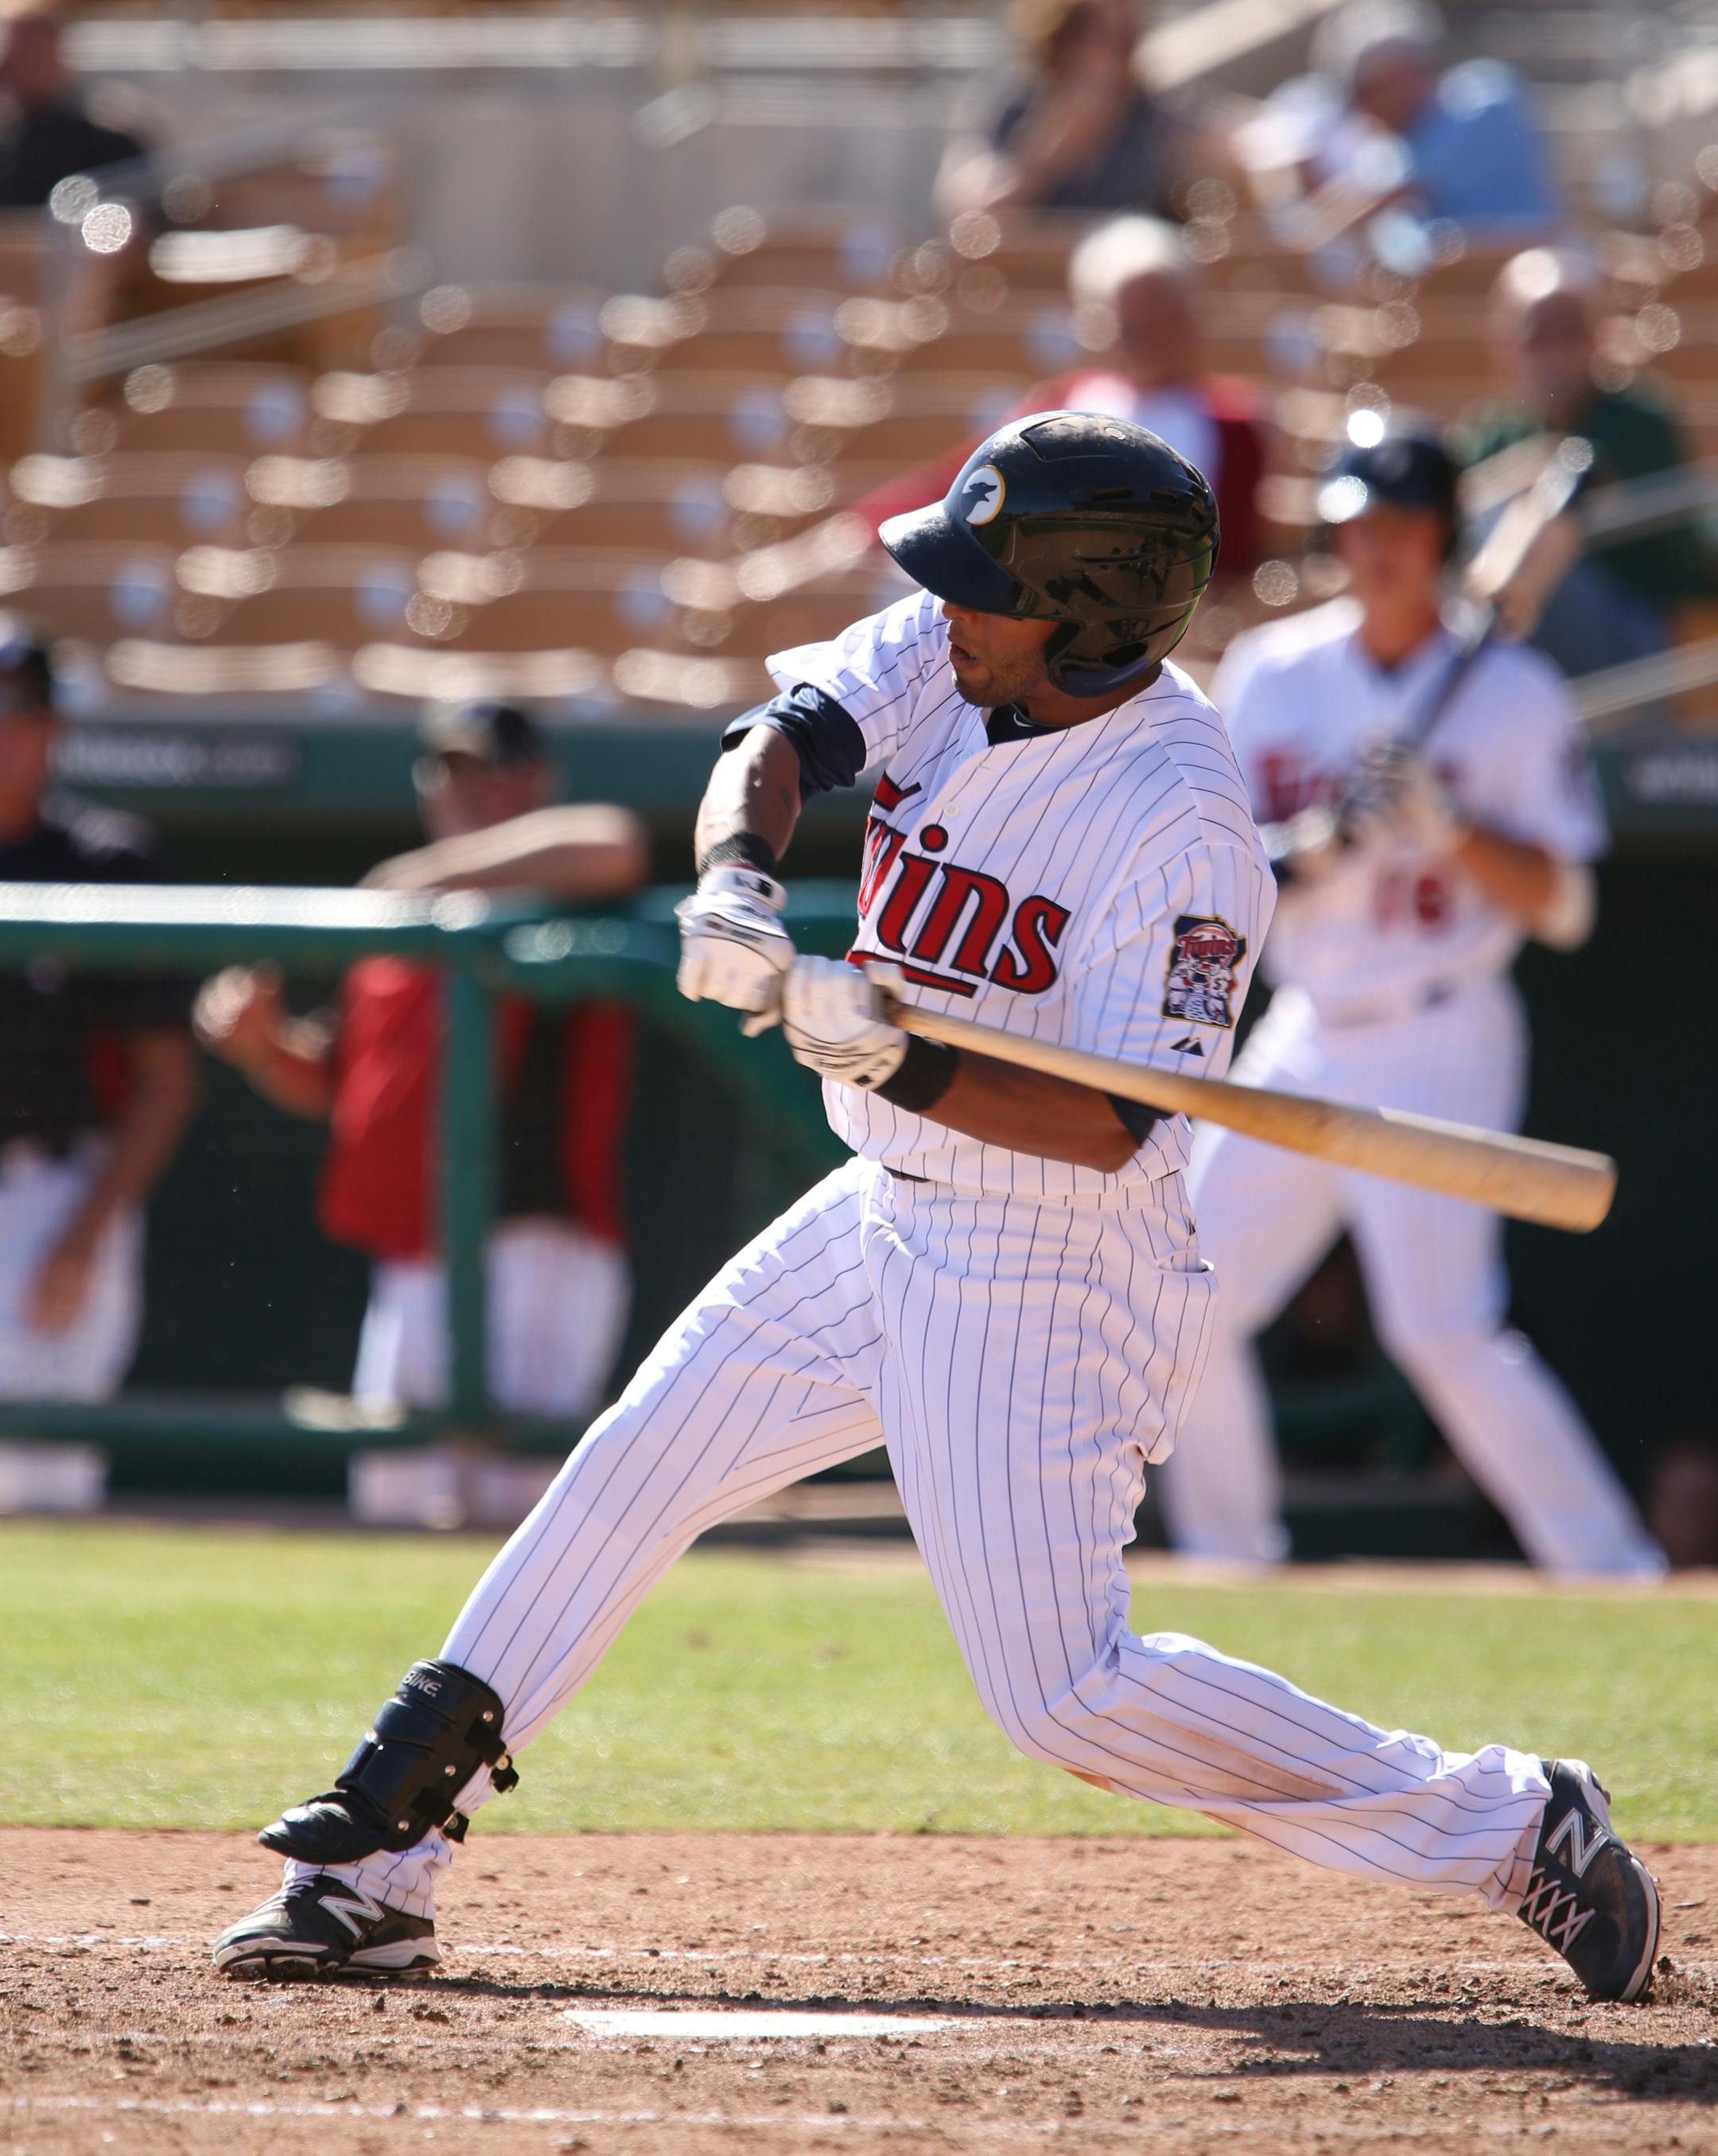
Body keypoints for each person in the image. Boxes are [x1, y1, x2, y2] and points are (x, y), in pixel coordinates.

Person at [211, 415, 1658, 2009]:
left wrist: (891, 1054)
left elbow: (1110, 1122)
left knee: (1064, 1696)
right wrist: (740, 881)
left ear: (1093, 608)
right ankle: (375, 1860)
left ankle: (1514, 1820)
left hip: (1049, 1256)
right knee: (635, 1466)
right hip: (883, 1205)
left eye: (991, 586)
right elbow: (783, 734)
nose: (949, 605)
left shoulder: (1183, 822)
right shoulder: (966, 652)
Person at [1158, 422, 1665, 1581]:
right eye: (1356, 525)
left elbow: (1565, 906)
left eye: (1396, 526)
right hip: (1304, 1026)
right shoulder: (1276, 672)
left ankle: (1613, 1568)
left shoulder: (1513, 692)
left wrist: (1447, 825)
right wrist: (1315, 846)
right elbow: (1221, 874)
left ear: (1441, 537)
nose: (1372, 547)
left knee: (1441, 1330)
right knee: (1180, 1294)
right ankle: (1234, 1564)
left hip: (1441, 1027)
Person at [194, 700, 647, 1421]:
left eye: (488, 769)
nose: (464, 789)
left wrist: (414, 877)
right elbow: (345, 1083)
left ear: (539, 780)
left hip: (533, 1246)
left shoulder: (560, 895)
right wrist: (264, 1047)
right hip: (414, 1251)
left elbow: (617, 843)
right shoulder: (404, 917)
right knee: (398, 1501)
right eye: (446, 769)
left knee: (524, 1510)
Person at [856, 215, 1269, 586]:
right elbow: (967, 482)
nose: (1142, 338)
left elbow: (1232, 560)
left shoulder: (1232, 424)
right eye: (1128, 323)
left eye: (1158, 318)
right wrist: (867, 528)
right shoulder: (1063, 403)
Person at [0, 623, 197, 1399]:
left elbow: (167, 1081)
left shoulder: (109, 862)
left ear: (54, 726)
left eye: (18, 711)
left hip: (57, 1189)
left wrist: (84, 1235)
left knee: (44, 1481)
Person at [1459, 247, 1715, 679]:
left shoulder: (1639, 417)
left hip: (1634, 637)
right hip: (1524, 648)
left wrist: (1554, 483)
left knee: (1543, 553)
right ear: (1504, 344)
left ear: (1599, 337)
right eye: (1536, 336)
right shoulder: (1490, 433)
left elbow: (1676, 559)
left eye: (1569, 332)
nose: (1554, 352)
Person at [1238, 0, 1557, 242]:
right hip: (1460, 295)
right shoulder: (1393, 149)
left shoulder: (1485, 96)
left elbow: (1380, 197)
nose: (1363, 113)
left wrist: (1300, 240)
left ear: (1402, 76)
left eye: (1365, 92)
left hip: (1531, 284)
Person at [936, 0, 1194, 224]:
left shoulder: (1149, 113)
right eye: (1096, 36)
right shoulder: (1009, 107)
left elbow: (1221, 145)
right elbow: (965, 215)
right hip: (1028, 268)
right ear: (1059, 41)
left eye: (1125, 41)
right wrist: (1052, 150)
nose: (1112, 58)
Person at [0, 6, 146, 212]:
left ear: (56, 57)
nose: (12, 64)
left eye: (28, 53)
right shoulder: (9, 139)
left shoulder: (100, 140)